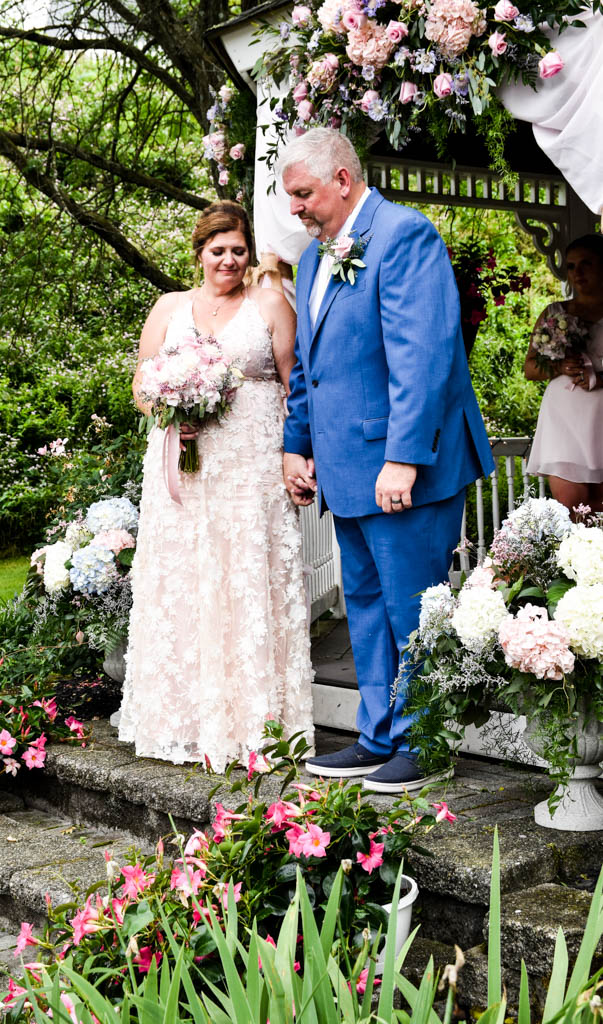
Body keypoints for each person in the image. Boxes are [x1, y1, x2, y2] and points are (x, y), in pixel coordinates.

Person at [280, 128, 494, 793]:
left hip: (406, 469)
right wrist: (296, 445)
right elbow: (310, 370)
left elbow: (423, 355)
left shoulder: (405, 235)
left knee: (412, 612)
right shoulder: (312, 261)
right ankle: (378, 737)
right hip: (346, 467)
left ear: (342, 180)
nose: (295, 207)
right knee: (367, 609)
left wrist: (402, 457)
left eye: (303, 193)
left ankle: (424, 743)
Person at [117, 200, 314, 772]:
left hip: (251, 469)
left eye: (239, 250)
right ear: (200, 252)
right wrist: (170, 407)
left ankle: (257, 724)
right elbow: (141, 385)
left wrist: (297, 455)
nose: (229, 260)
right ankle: (184, 721)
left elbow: (296, 385)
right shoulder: (169, 307)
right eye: (218, 250)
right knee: (185, 580)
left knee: (246, 578)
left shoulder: (270, 304)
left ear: (249, 254)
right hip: (184, 469)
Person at [525, 234, 603, 513]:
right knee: (572, 509)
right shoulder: (555, 313)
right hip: (564, 416)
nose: (577, 273)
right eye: (571, 266)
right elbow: (530, 368)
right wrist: (559, 366)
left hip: (601, 414)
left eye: (586, 264)